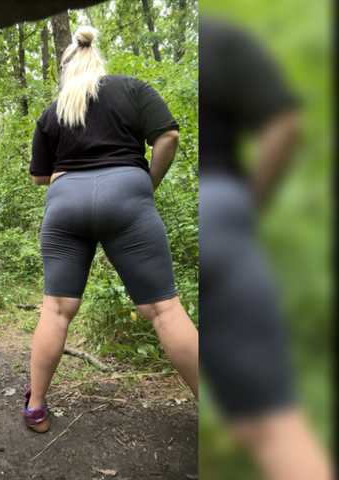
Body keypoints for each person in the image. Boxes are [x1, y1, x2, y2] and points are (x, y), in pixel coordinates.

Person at [25, 26, 198, 433]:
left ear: (65, 69)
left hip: (65, 202)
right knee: (164, 309)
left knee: (56, 309)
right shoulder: (131, 88)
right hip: (127, 193)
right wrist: (147, 183)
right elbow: (168, 136)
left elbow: (38, 177)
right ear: (97, 59)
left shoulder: (53, 111)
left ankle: (35, 407)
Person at [199, 18, 332, 479]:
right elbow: (285, 123)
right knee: (273, 423)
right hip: (222, 205)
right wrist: (248, 203)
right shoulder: (221, 37)